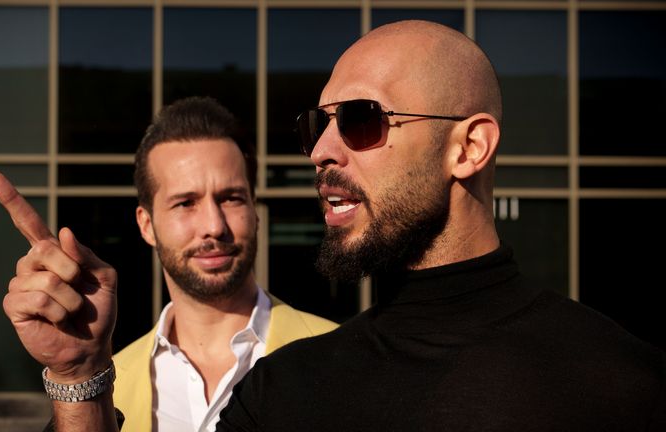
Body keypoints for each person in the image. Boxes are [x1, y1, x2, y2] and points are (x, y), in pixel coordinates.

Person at [214, 20, 666, 431]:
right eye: (317, 125)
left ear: (469, 147)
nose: (320, 152)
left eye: (362, 118)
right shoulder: (278, 396)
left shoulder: (623, 386)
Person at [0, 97, 337, 432]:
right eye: (186, 203)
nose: (214, 226)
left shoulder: (341, 355)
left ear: (254, 211)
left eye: (231, 198)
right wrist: (77, 375)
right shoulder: (102, 381)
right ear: (146, 224)